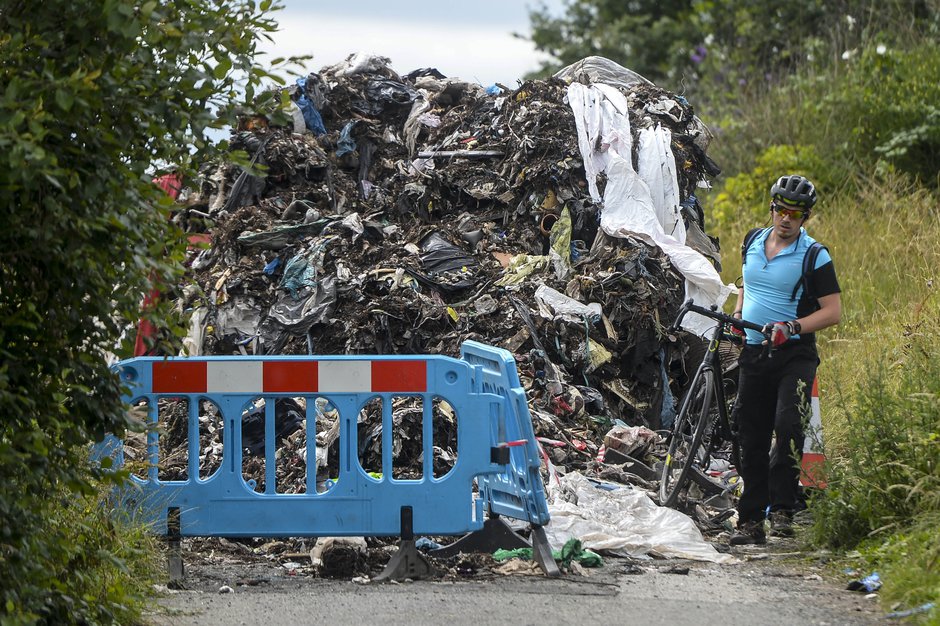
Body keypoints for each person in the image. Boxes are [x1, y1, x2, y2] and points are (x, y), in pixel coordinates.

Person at [728, 174, 842, 545]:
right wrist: (738, 314)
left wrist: (792, 326)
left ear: (805, 217)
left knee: (789, 426)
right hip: (755, 351)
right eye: (781, 210)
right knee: (752, 435)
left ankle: (782, 509)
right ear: (771, 208)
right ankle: (750, 520)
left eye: (795, 213)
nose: (786, 219)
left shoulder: (814, 255)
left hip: (794, 354)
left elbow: (833, 312)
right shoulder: (752, 241)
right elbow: (748, 283)